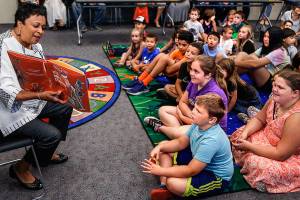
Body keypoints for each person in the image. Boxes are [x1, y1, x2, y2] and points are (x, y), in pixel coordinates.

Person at [0, 3, 72, 190]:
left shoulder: (35, 46)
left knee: (65, 106)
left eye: (43, 27)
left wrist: (58, 83)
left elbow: (41, 74)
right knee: (51, 135)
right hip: (7, 110)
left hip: (31, 99)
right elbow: (5, 90)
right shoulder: (3, 45)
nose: (41, 31)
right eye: (36, 26)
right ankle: (20, 168)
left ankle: (47, 153)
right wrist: (41, 94)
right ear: (19, 23)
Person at [141, 94, 233, 200]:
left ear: (212, 120)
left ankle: (169, 185)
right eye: (194, 108)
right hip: (197, 158)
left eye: (198, 111)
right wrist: (160, 148)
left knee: (173, 182)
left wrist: (160, 171)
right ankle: (164, 187)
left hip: (214, 176)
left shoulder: (211, 141)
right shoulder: (198, 123)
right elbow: (181, 143)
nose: (193, 112)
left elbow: (191, 170)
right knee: (163, 146)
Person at [231, 70, 300, 193]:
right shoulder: (274, 99)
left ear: (295, 93)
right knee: (239, 134)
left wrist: (249, 146)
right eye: (274, 84)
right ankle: (247, 121)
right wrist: (245, 134)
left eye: (280, 87)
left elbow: (280, 154)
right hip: (267, 138)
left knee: (257, 163)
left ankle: (268, 182)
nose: (274, 89)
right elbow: (259, 119)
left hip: (286, 155)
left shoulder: (296, 117)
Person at [144, 55, 228, 139]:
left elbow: (201, 123)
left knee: (180, 134)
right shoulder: (195, 81)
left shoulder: (213, 93)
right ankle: (178, 132)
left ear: (208, 75)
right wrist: (189, 115)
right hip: (195, 117)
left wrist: (182, 117)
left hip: (209, 129)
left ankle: (161, 128)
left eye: (196, 71)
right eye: (191, 69)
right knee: (163, 110)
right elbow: (182, 102)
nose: (191, 73)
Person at [123, 30, 194, 96]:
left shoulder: (188, 56)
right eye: (179, 44)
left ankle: (144, 83)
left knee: (163, 57)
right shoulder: (177, 51)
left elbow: (169, 70)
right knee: (161, 55)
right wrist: (161, 66)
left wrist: (161, 67)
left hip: (180, 80)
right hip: (170, 74)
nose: (180, 47)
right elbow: (167, 62)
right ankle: (140, 80)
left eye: (184, 45)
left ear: (190, 45)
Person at [234, 27, 291, 93]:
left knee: (252, 60)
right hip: (263, 75)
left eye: (269, 37)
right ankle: (232, 76)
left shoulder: (280, 52)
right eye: (265, 36)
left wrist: (234, 62)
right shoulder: (266, 47)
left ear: (276, 39)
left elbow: (255, 64)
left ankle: (231, 77)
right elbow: (249, 56)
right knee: (242, 54)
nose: (265, 39)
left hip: (271, 82)